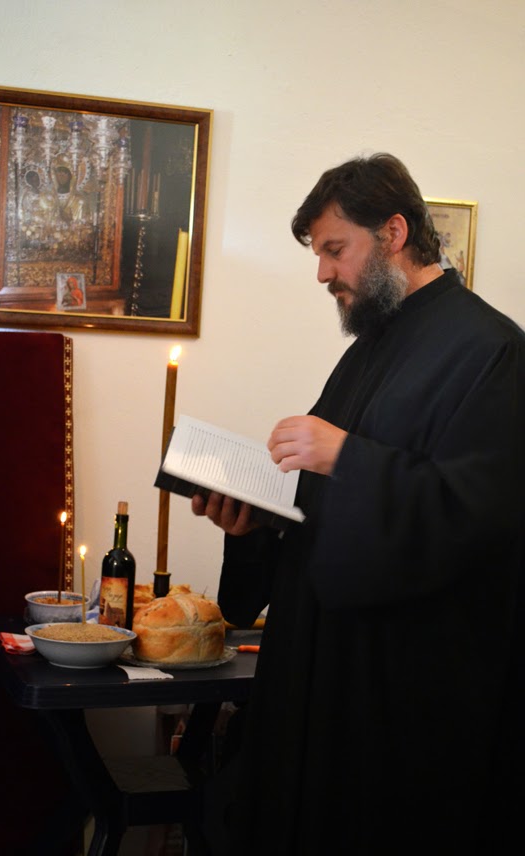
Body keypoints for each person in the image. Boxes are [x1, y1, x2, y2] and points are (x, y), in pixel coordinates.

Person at [192, 153, 525, 855]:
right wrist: (252, 524)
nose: (322, 272)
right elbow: (320, 506)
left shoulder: (493, 351)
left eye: (334, 249)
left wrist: (347, 456)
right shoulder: (373, 343)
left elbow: (482, 517)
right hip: (314, 662)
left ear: (394, 233)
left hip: (399, 689)